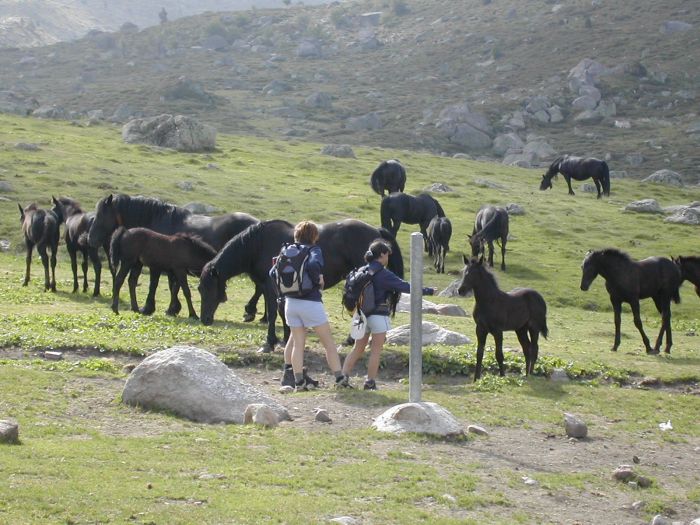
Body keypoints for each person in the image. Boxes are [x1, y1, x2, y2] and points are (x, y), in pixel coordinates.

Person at [341, 239, 435, 390]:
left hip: (360, 315)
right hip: (378, 315)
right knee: (376, 351)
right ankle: (369, 382)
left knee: (358, 348)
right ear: (382, 254)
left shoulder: (362, 271)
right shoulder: (383, 274)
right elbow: (405, 287)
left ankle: (343, 376)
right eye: (387, 255)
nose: (388, 258)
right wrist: (428, 290)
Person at [274, 220, 348, 392]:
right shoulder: (314, 250)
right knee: (328, 343)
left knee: (297, 344)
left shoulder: (286, 251)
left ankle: (298, 382)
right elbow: (314, 265)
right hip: (310, 302)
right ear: (314, 236)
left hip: (290, 303)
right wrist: (318, 280)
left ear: (296, 235)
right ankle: (339, 378)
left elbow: (272, 272)